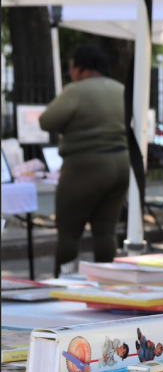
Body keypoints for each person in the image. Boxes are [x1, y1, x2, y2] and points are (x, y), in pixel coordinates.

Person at [38, 45, 131, 274]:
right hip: (121, 164)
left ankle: (63, 280)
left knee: (69, 231)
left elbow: (47, 121)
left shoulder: (76, 91)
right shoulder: (121, 89)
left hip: (85, 165)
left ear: (80, 67)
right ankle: (106, 282)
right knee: (106, 230)